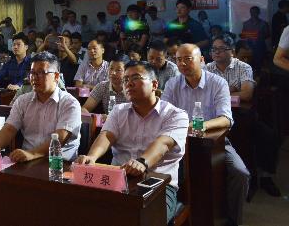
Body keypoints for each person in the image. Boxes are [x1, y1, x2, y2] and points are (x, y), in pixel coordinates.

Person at [77, 61, 188, 224]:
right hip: (117, 180)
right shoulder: (118, 111)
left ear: (154, 84)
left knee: (146, 220)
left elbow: (163, 143)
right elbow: (107, 136)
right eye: (126, 79)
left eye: (135, 78)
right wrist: (92, 157)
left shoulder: (175, 115)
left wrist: (142, 162)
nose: (128, 83)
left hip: (158, 185)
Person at [162, 44, 249, 226]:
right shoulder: (172, 84)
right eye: (179, 60)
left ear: (201, 60)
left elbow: (226, 119)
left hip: (214, 142)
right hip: (179, 143)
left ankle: (232, 220)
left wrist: (197, 125)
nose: (182, 64)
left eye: (188, 59)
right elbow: (163, 116)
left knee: (240, 173)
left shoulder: (218, 83)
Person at [206, 35, 281, 196]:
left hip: (242, 114)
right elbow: (205, 96)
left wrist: (220, 94)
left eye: (221, 49)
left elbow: (246, 94)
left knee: (268, 137)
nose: (216, 52)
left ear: (232, 51)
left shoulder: (243, 67)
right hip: (215, 116)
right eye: (214, 49)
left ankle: (263, 178)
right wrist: (231, 90)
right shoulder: (207, 68)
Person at [0, 51, 81, 161]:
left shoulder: (69, 103)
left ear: (56, 76)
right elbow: (10, 128)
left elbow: (60, 138)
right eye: (32, 73)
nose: (34, 77)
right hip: (27, 159)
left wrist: (33, 154)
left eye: (41, 72)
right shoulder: (23, 101)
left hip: (59, 163)